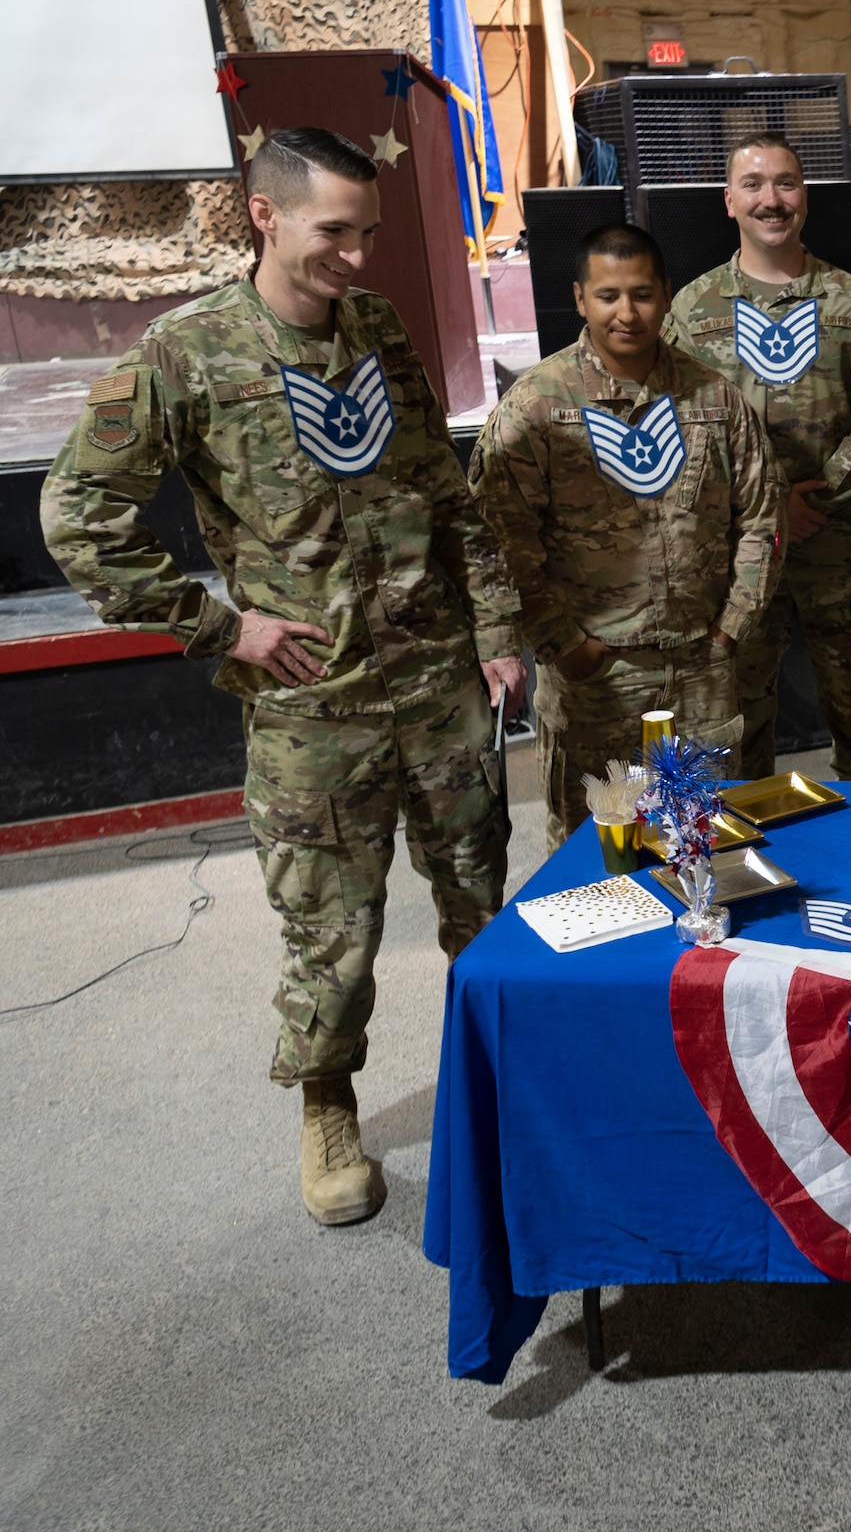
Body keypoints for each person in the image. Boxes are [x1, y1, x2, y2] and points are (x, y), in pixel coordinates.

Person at [39, 127, 526, 1226]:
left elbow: (445, 493)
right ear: (264, 214)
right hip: (313, 705)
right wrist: (216, 626)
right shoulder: (188, 350)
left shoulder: (381, 331)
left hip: (439, 681)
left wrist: (493, 624)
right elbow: (78, 514)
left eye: (368, 232)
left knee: (479, 903)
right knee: (333, 927)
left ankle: (498, 1079)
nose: (356, 255)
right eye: (334, 232)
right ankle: (325, 1107)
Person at [472, 225, 783, 851]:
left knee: (706, 844)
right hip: (596, 678)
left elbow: (762, 518)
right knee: (596, 854)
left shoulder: (715, 399)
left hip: (702, 670)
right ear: (580, 299)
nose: (627, 312)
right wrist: (563, 644)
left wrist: (732, 628)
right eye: (608, 295)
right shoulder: (537, 405)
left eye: (641, 294)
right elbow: (497, 539)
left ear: (666, 296)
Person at [670, 132, 851, 782]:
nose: (771, 200)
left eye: (785, 184)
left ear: (804, 196)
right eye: (754, 184)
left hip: (841, 546)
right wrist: (771, 507)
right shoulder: (692, 314)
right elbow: (680, 432)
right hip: (740, 554)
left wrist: (818, 495)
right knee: (735, 724)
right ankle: (744, 870)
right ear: (729, 200)